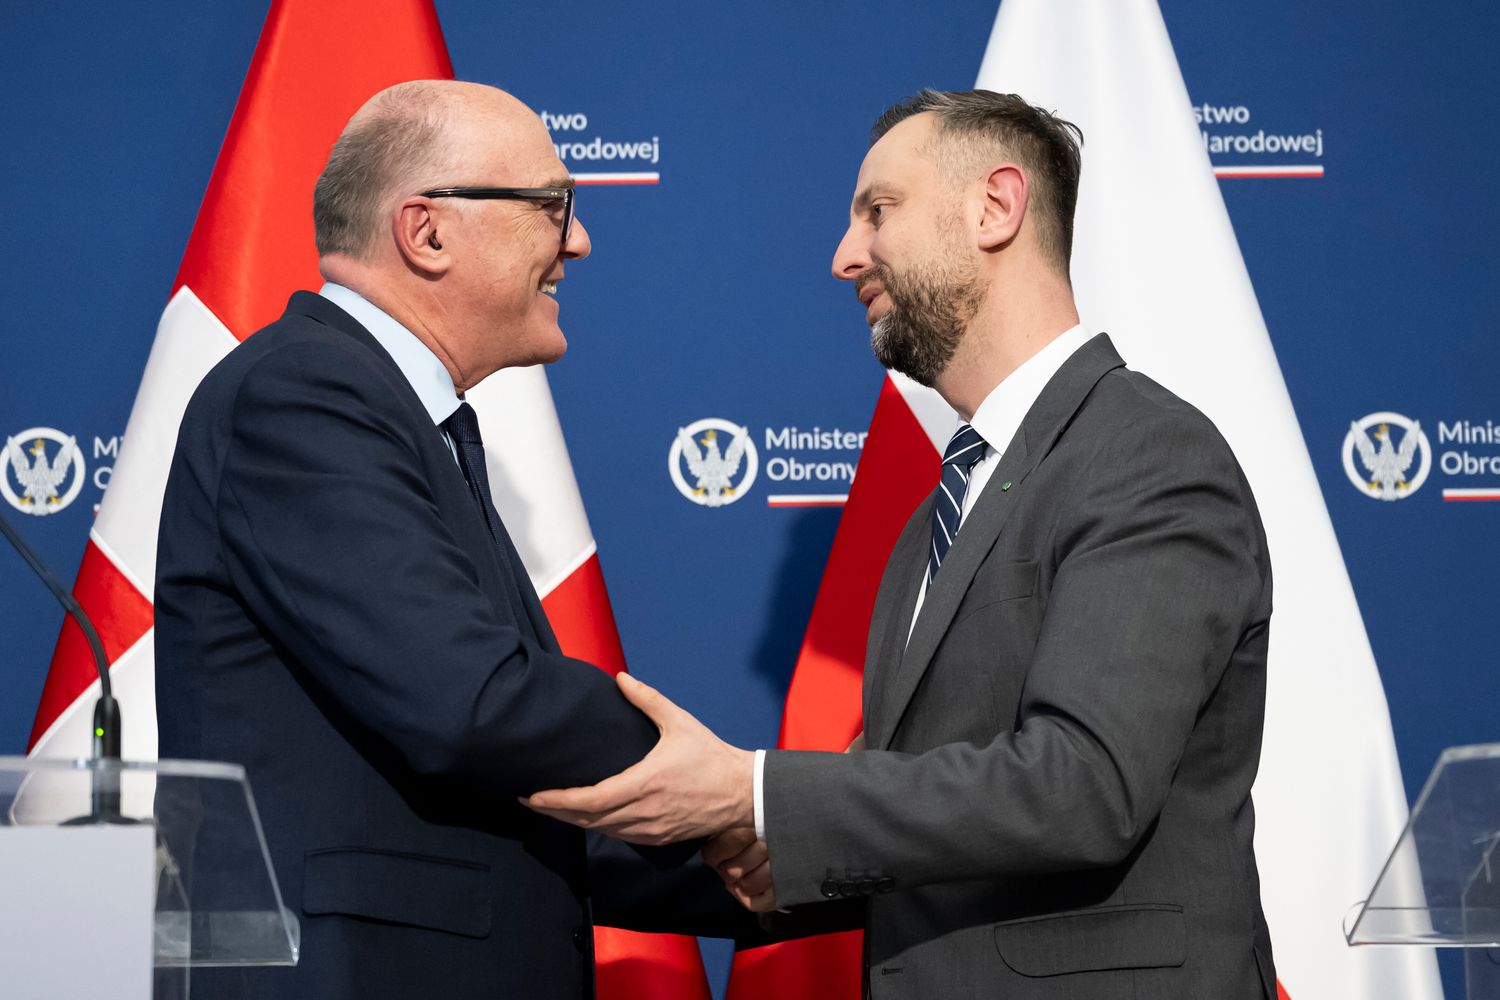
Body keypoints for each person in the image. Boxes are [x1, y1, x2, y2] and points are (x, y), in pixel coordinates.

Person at [525, 89, 1278, 999]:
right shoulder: (936, 515)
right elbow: (915, 820)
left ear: (995, 208)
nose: (845, 257)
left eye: (878, 211)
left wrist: (752, 791)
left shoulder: (1145, 454)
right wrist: (530, 848)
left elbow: (1083, 788)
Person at [155, 80, 743, 1000]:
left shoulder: (400, 417)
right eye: (553, 207)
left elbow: (517, 801)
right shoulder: (303, 391)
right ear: (426, 232)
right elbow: (473, 701)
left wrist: (801, 856)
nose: (578, 242)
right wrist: (745, 787)